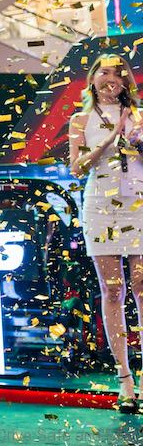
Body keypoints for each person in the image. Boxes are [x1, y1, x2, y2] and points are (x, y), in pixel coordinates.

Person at [69, 53, 143, 413]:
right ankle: (125, 380)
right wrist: (111, 137)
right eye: (104, 71)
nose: (110, 77)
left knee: (142, 287)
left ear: (126, 80)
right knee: (112, 290)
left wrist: (136, 141)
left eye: (118, 73)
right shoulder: (80, 119)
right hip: (100, 207)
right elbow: (76, 167)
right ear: (93, 78)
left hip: (138, 204)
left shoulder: (140, 116)